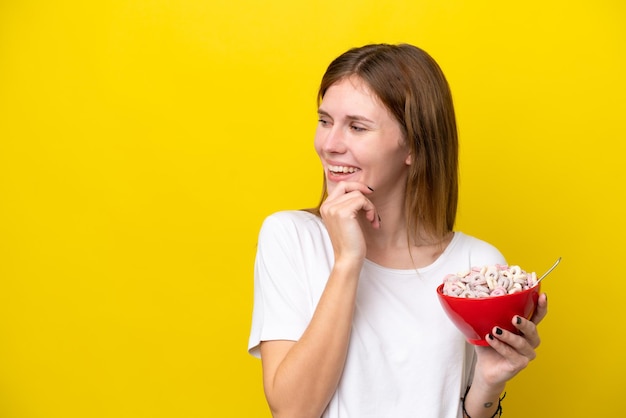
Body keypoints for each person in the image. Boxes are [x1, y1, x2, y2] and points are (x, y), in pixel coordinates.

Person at [248, 43, 548, 418]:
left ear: (414, 146)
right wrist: (348, 261)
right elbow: (293, 410)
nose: (329, 144)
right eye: (325, 121)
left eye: (356, 127)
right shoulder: (291, 238)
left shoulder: (476, 267)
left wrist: (489, 382)